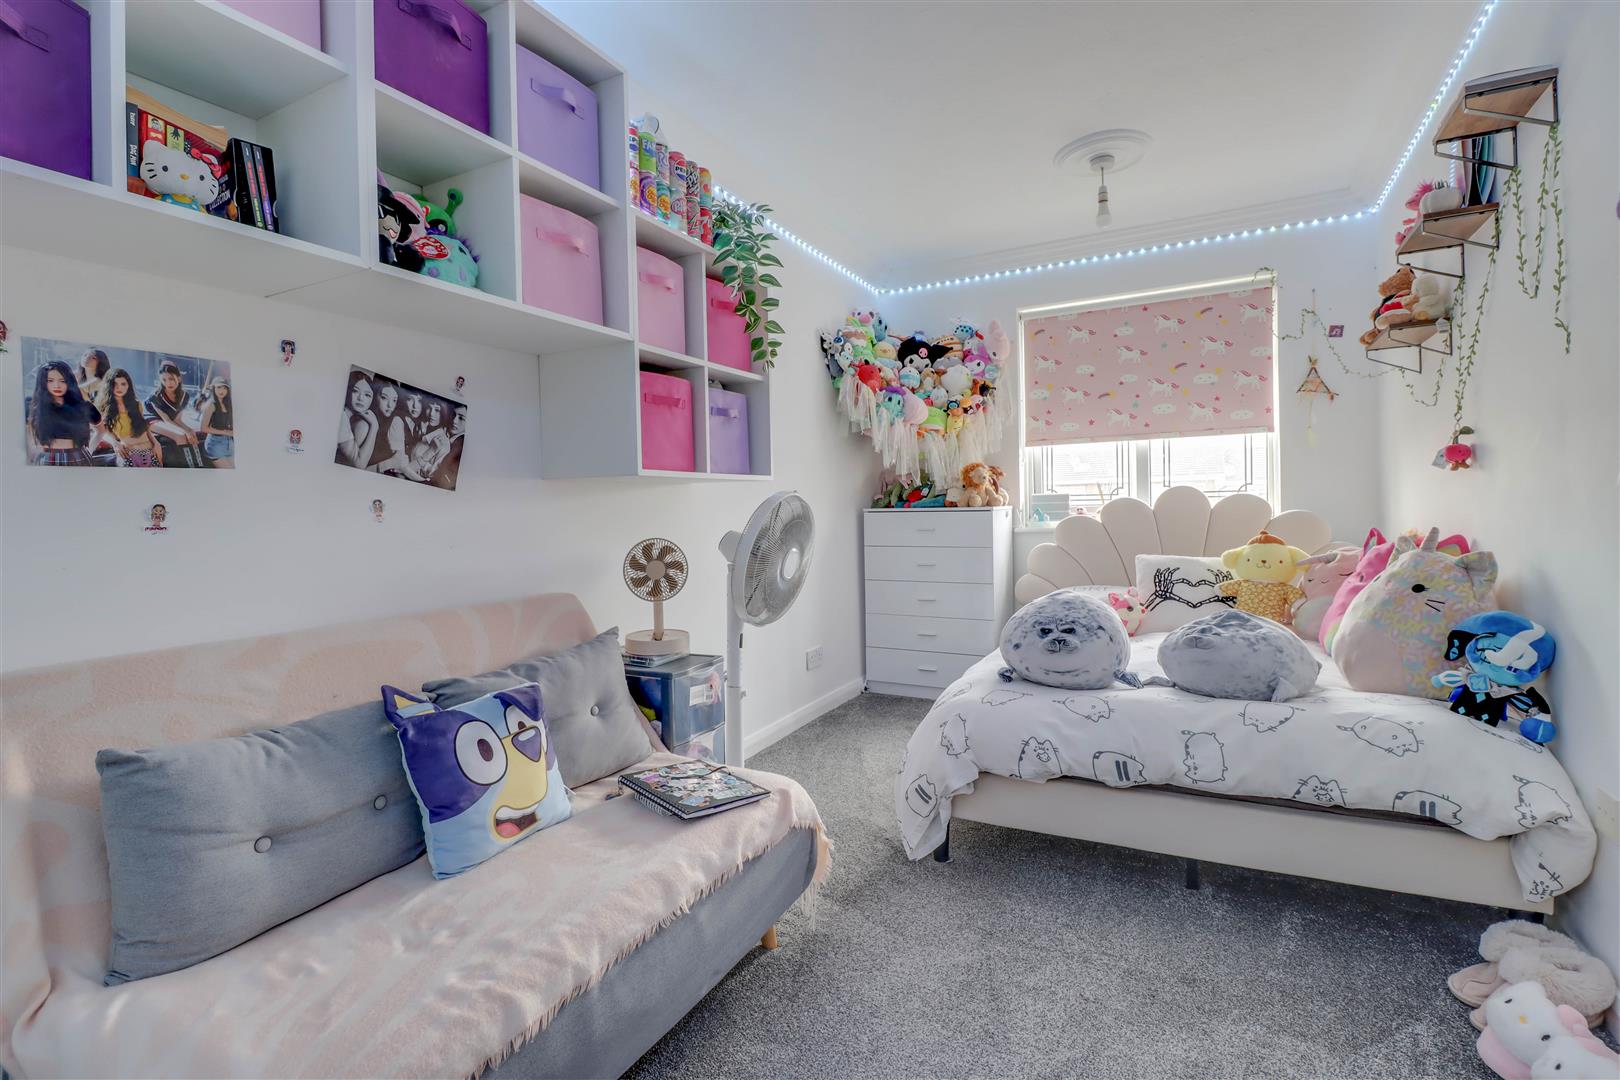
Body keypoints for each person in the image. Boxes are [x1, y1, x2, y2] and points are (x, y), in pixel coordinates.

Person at [27, 359, 103, 465]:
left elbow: (101, 430)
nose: (57, 385)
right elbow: (28, 438)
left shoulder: (84, 407)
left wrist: (88, 451)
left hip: (79, 456)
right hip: (46, 457)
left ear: (69, 382)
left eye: (62, 381)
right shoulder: (34, 407)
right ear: (43, 382)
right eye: (50, 380)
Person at [145, 359, 204, 467]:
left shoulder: (184, 396)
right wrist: (185, 432)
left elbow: (177, 419)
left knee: (192, 433)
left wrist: (189, 430)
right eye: (164, 380)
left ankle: (199, 466)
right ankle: (188, 467)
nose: (168, 383)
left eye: (171, 379)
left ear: (179, 378)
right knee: (181, 435)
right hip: (152, 419)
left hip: (168, 420)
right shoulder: (155, 396)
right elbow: (167, 420)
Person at [98, 367, 162, 467]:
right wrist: (115, 443)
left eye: (123, 384)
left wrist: (156, 443)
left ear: (128, 386)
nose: (119, 388)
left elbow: (145, 428)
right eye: (115, 384)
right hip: (128, 455)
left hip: (151, 452)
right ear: (109, 386)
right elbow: (101, 432)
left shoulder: (136, 404)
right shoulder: (105, 409)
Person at [336, 371, 377, 469]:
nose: (361, 398)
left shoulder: (350, 419)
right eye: (355, 391)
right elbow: (360, 464)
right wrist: (375, 426)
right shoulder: (342, 417)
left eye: (367, 395)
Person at [366, 379, 408, 474]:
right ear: (374, 395)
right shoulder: (365, 422)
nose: (390, 405)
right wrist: (389, 463)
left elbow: (400, 463)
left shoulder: (393, 421)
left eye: (394, 400)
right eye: (384, 398)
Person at [197, 376, 234, 467]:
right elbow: (203, 428)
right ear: (213, 388)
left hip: (229, 443)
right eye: (218, 387)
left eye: (224, 388)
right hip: (215, 444)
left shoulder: (228, 403)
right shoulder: (211, 404)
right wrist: (225, 432)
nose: (221, 390)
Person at [430, 404, 466, 490]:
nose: (454, 421)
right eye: (453, 415)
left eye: (461, 418)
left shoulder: (460, 445)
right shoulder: (442, 432)